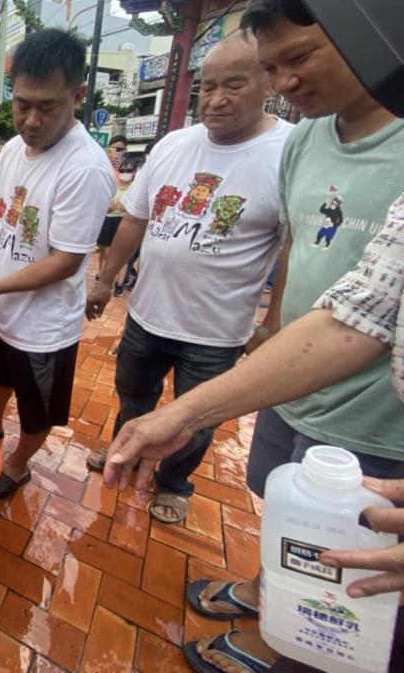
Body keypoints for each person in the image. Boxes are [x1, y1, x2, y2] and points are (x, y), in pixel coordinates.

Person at [110, 0, 404, 673]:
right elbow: (318, 268)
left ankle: (282, 646)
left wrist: (197, 400)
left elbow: (360, 323)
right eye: (274, 67)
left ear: (366, 30)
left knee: (346, 566)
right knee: (278, 502)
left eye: (299, 58)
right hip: (289, 382)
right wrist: (273, 335)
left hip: (373, 421)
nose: (287, 80)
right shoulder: (306, 143)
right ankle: (261, 594)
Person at [84, 34, 293, 525]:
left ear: (267, 80)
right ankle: (126, 451)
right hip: (146, 315)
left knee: (197, 417)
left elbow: (295, 246)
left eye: (234, 85)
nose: (217, 99)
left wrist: (274, 324)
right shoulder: (174, 144)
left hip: (216, 331)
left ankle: (174, 482)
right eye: (209, 86)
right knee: (134, 397)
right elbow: (134, 219)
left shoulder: (288, 151)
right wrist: (105, 279)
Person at [0, 28, 115, 499]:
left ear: (77, 94)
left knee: (37, 408)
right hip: (2, 308)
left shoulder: (84, 167)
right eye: (21, 103)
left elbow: (67, 261)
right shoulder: (9, 150)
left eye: (46, 106)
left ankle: (20, 463)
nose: (30, 119)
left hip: (44, 327)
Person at [94, 157, 135, 295]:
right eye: (123, 170)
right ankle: (104, 278)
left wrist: (125, 207)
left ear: (134, 172)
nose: (125, 173)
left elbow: (138, 209)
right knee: (105, 252)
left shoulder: (135, 189)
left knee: (122, 255)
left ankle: (119, 282)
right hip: (108, 220)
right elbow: (102, 203)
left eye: (129, 170)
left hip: (124, 222)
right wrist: (109, 206)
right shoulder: (113, 186)